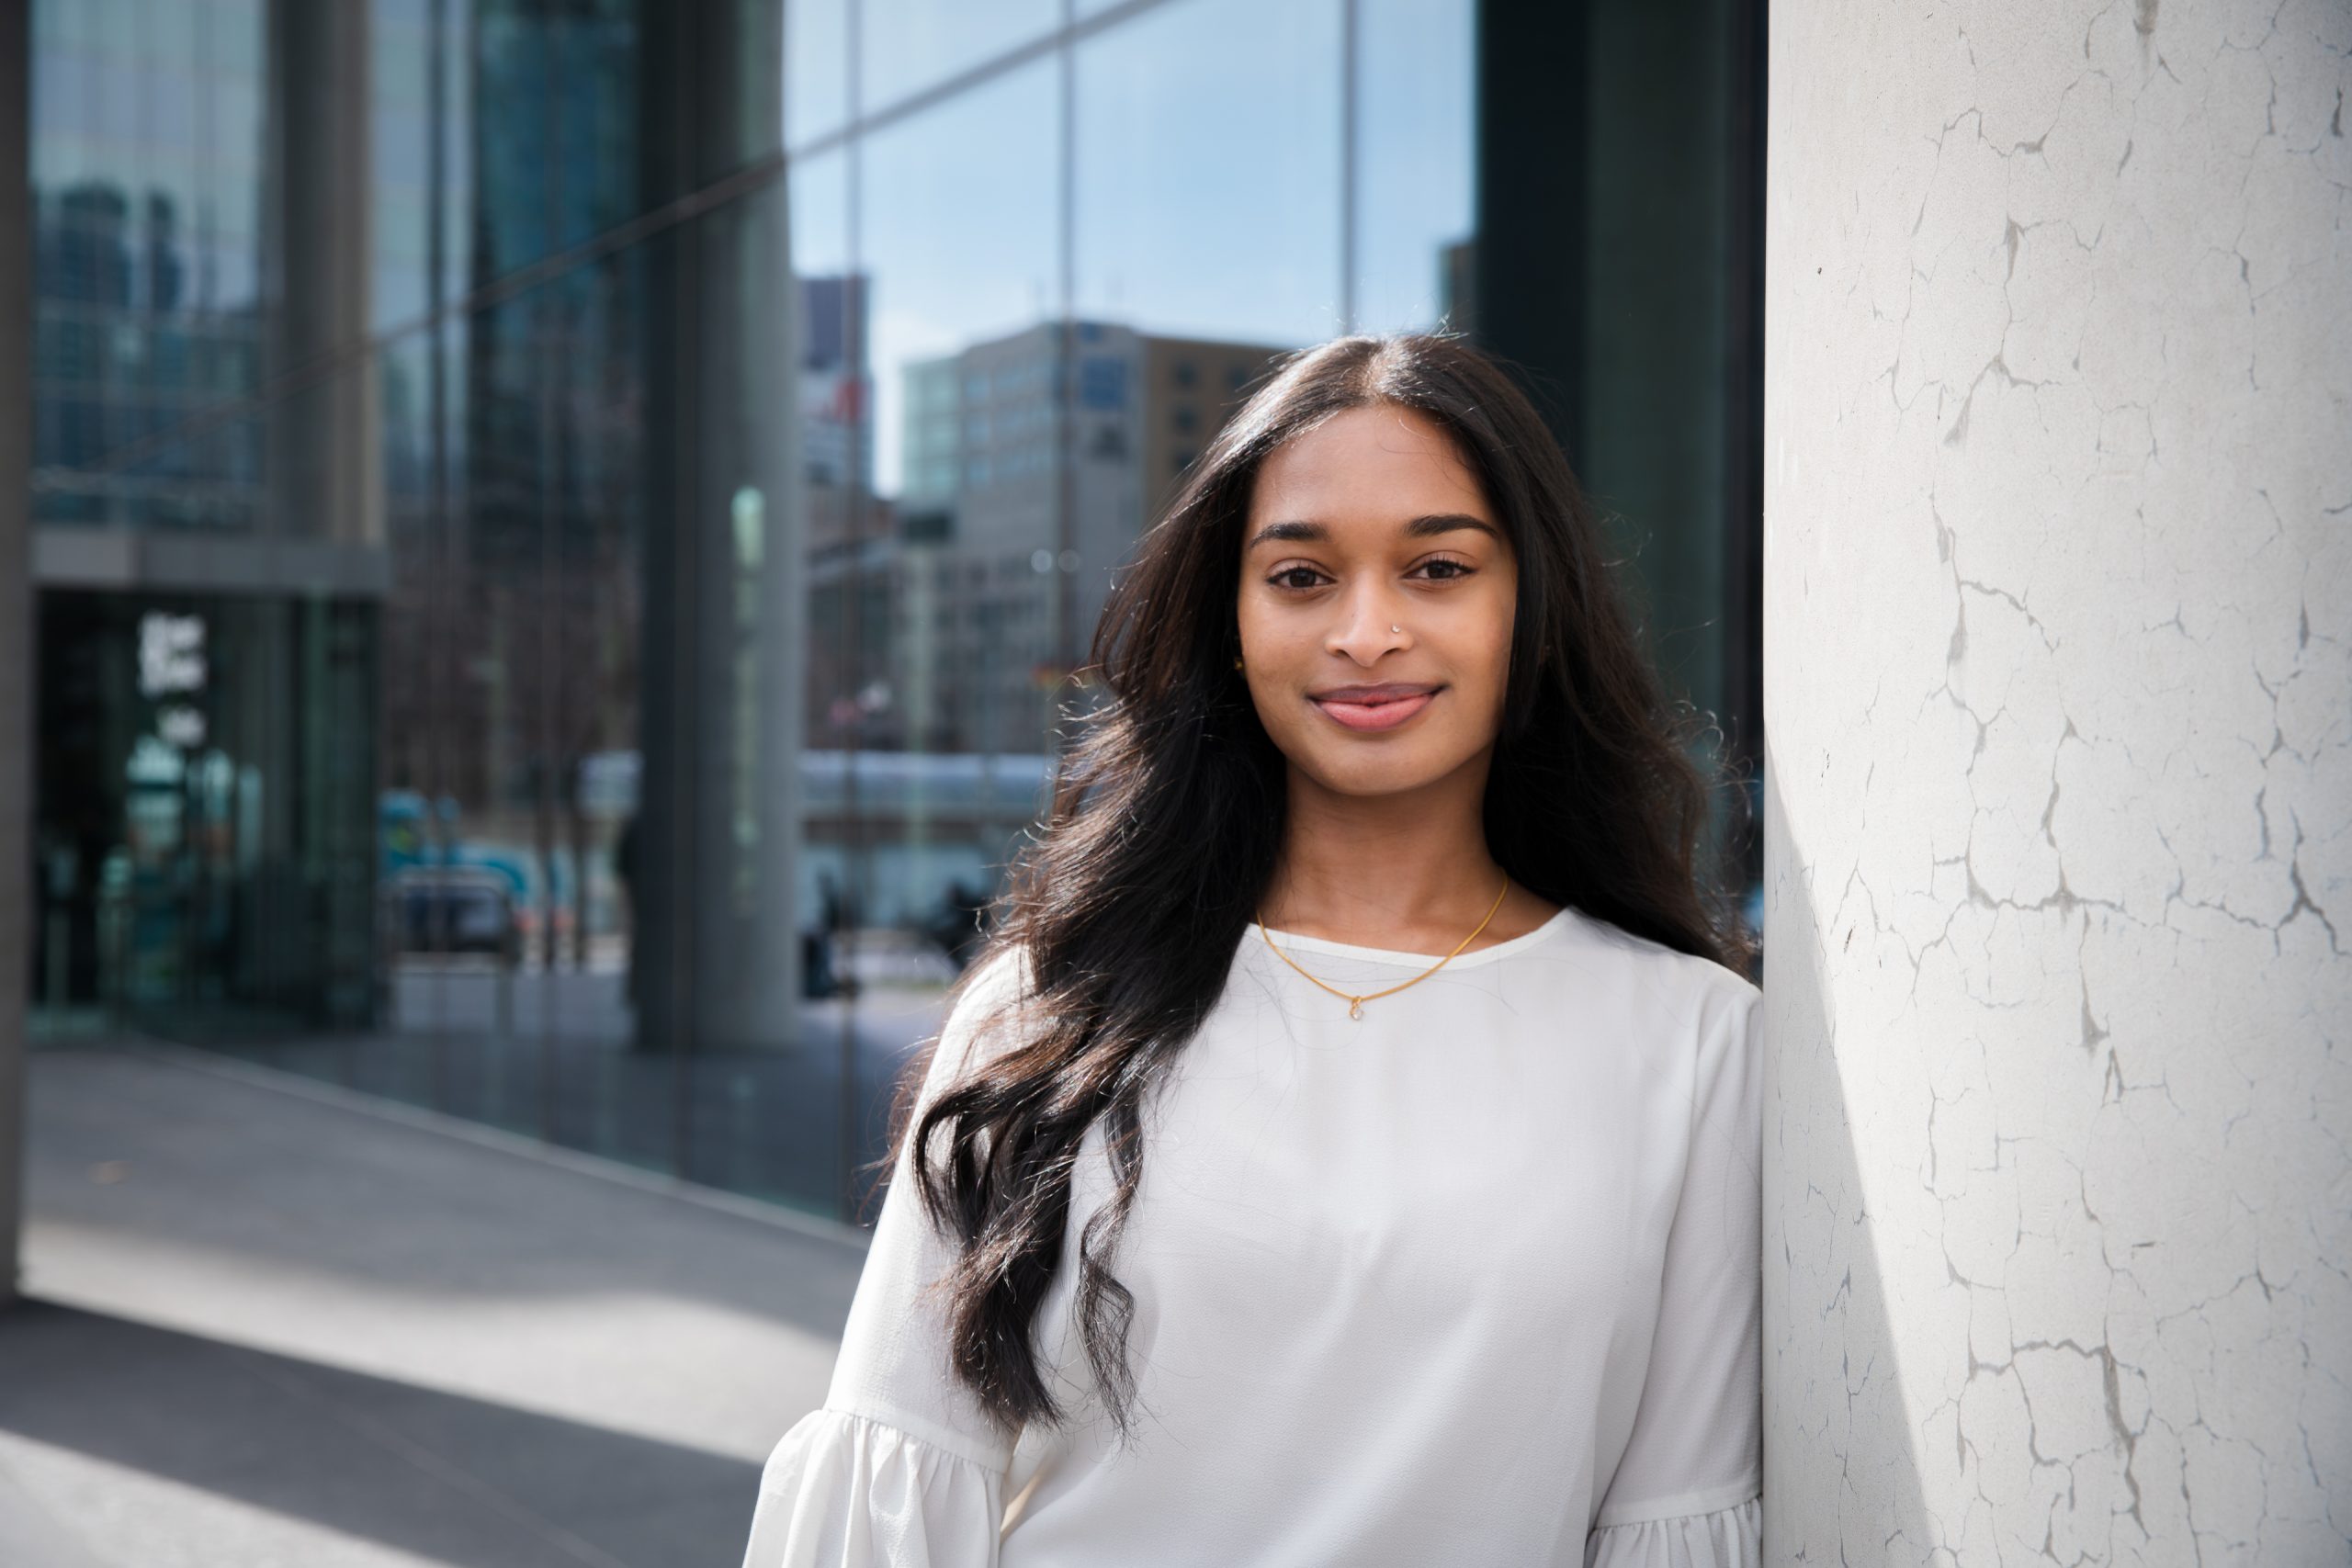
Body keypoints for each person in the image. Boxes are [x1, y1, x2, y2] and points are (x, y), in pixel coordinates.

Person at [740, 333, 1762, 1566]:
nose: (1368, 631)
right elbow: (897, 1486)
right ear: (1231, 623)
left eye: (1437, 568)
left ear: (1530, 614)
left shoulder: (1694, 1044)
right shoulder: (1045, 1012)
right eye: (1301, 577)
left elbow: (1675, 1523)